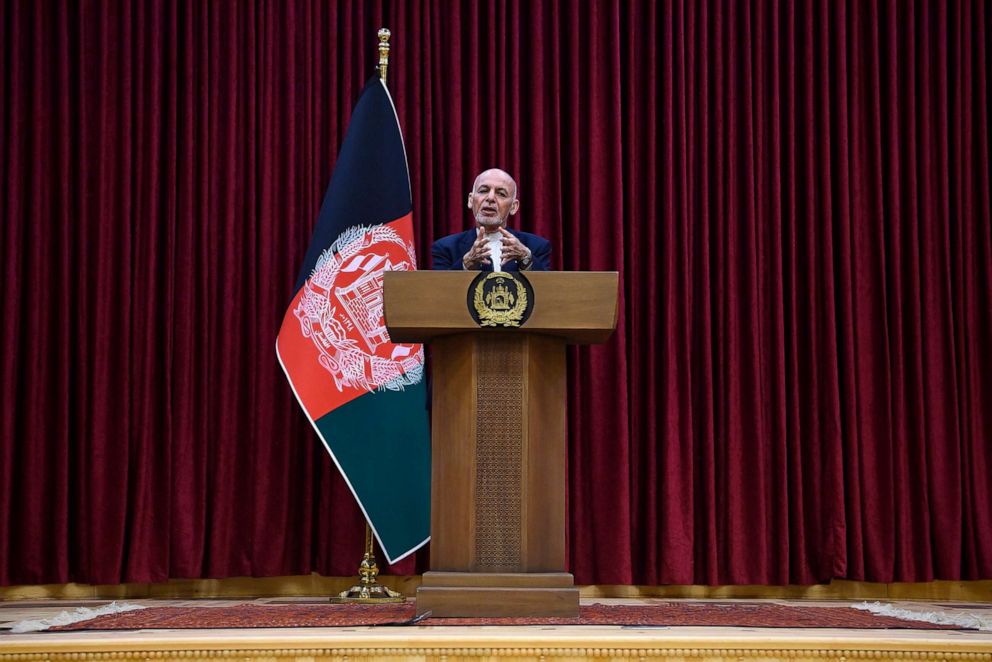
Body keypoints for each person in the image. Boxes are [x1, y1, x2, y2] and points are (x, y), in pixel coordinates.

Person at [431, 168, 552, 271]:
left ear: (513, 207)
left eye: (501, 194)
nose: (490, 198)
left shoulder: (536, 247)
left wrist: (526, 259)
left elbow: (548, 292)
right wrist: (465, 265)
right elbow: (439, 293)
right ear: (470, 200)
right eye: (483, 191)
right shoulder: (445, 248)